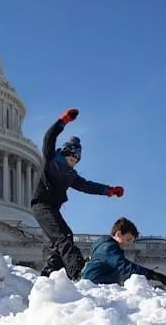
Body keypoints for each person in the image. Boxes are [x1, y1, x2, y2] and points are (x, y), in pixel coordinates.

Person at [31, 108, 125, 281]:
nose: (73, 164)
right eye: (71, 160)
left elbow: (86, 186)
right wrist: (63, 121)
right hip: (41, 205)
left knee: (60, 242)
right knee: (64, 237)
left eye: (75, 162)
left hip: (52, 208)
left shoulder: (70, 175)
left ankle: (47, 276)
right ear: (65, 155)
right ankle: (78, 272)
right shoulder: (50, 160)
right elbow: (48, 138)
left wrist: (109, 190)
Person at [81, 217, 166, 286]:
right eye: (128, 239)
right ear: (119, 234)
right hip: (98, 285)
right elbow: (124, 266)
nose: (128, 244)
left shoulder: (101, 245)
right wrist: (151, 274)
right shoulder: (109, 248)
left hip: (96, 283)